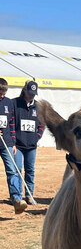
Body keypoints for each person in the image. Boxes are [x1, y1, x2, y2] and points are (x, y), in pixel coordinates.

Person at [13, 80, 44, 207]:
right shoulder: (14, 103)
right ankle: (18, 197)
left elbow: (42, 125)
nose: (31, 95)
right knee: (18, 170)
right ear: (24, 90)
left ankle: (29, 195)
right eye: (30, 93)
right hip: (18, 145)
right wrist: (13, 140)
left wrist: (37, 137)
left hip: (31, 146)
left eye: (33, 94)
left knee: (30, 170)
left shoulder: (38, 107)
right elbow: (11, 122)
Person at [0, 78, 26, 213]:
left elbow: (11, 124)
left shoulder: (8, 103)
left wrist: (14, 142)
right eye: (0, 92)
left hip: (7, 143)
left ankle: (16, 199)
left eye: (4, 92)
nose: (2, 95)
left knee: (12, 170)